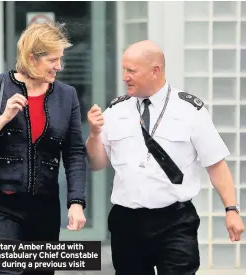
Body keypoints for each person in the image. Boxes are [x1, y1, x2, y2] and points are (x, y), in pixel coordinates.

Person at [86, 40, 245, 275]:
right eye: (124, 69)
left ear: (155, 70)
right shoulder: (116, 110)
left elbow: (216, 165)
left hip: (175, 220)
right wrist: (94, 134)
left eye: (131, 70)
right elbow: (98, 164)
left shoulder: (190, 110)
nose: (124, 77)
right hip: (127, 220)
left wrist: (231, 209)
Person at [0, 22, 87, 275]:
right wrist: (2, 119)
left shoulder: (66, 94)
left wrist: (76, 202)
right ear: (32, 58)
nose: (59, 67)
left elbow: (74, 152)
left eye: (60, 59)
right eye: (53, 59)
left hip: (45, 208)